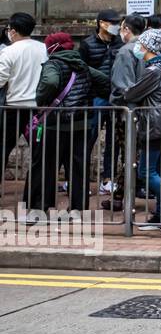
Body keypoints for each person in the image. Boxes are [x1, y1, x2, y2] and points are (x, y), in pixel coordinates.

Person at [28, 32, 108, 218]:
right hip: (81, 124)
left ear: (53, 48)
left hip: (54, 124)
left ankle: (40, 208)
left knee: (46, 167)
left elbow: (50, 81)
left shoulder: (53, 64)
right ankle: (78, 210)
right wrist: (90, 96)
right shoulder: (82, 66)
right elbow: (104, 81)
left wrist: (41, 99)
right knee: (78, 168)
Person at [115, 28, 161, 232]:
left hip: (154, 125)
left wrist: (122, 92)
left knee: (147, 171)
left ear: (146, 47)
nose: (137, 47)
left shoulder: (153, 71)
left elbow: (131, 94)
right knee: (158, 170)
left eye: (141, 44)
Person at [102, 14, 147, 212]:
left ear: (126, 29)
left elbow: (122, 86)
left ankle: (121, 196)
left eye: (121, 28)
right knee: (135, 155)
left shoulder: (125, 52)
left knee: (129, 156)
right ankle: (122, 195)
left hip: (128, 111)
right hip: (144, 110)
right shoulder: (146, 50)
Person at [78, 9, 122, 196]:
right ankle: (81, 180)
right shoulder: (87, 44)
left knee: (115, 140)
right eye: (114, 23)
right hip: (95, 97)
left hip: (116, 97)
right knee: (88, 139)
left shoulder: (120, 43)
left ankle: (108, 178)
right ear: (102, 23)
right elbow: (81, 71)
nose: (118, 27)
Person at [0, 13, 48, 178]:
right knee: (39, 151)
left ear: (13, 31)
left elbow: (0, 79)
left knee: (3, 148)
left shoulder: (9, 52)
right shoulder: (43, 48)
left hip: (13, 109)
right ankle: (36, 194)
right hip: (38, 110)